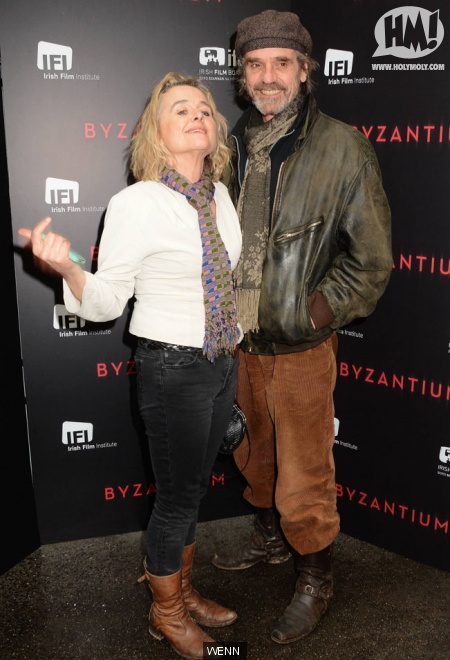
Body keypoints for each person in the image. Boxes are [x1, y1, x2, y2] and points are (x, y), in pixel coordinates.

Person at [18, 71, 242, 660]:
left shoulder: (219, 195)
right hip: (173, 368)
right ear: (155, 133)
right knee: (176, 499)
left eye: (203, 108)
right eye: (179, 110)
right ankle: (166, 612)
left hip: (222, 359)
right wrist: (69, 268)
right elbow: (107, 301)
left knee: (192, 490)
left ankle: (182, 591)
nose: (196, 116)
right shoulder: (135, 203)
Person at [211, 9, 393, 645]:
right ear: (242, 75)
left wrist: (315, 311)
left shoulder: (343, 147)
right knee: (254, 454)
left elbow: (372, 261)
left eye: (281, 63)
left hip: (301, 346)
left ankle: (316, 577)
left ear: (305, 71)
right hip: (239, 341)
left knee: (305, 474)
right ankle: (267, 539)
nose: (268, 76)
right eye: (255, 64)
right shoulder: (230, 145)